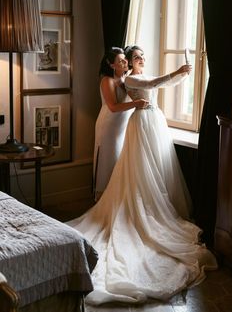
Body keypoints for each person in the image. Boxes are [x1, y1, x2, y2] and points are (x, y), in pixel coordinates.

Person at [67, 45, 217, 306]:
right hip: (113, 125)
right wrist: (146, 95)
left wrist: (182, 74)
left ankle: (128, 202)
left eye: (132, 59)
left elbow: (155, 83)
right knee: (113, 167)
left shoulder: (125, 78)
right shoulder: (114, 79)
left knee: (132, 168)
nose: (130, 62)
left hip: (134, 123)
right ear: (113, 63)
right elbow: (117, 104)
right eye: (127, 59)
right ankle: (108, 203)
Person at [93, 47, 148, 200]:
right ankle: (104, 199)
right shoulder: (107, 80)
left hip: (123, 126)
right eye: (121, 61)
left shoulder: (126, 78)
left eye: (125, 59)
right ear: (112, 65)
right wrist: (136, 103)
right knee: (108, 160)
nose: (125, 62)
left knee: (120, 161)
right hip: (109, 126)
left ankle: (117, 198)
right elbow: (113, 107)